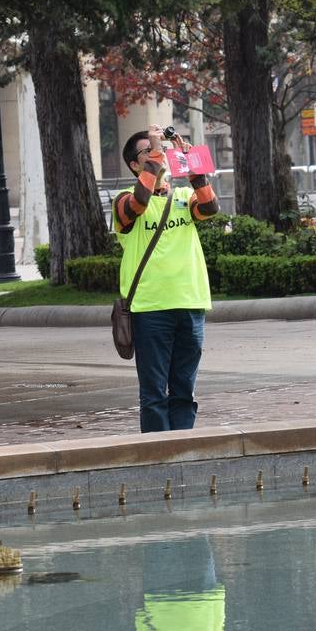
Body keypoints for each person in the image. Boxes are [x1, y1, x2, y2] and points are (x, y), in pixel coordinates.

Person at [114, 125, 219, 432]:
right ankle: (157, 455)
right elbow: (139, 202)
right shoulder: (123, 201)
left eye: (161, 150)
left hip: (190, 303)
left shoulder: (185, 197)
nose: (159, 155)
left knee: (184, 390)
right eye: (150, 151)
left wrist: (193, 166)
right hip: (150, 309)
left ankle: (182, 447)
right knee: (154, 393)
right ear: (136, 164)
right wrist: (159, 154)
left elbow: (210, 207)